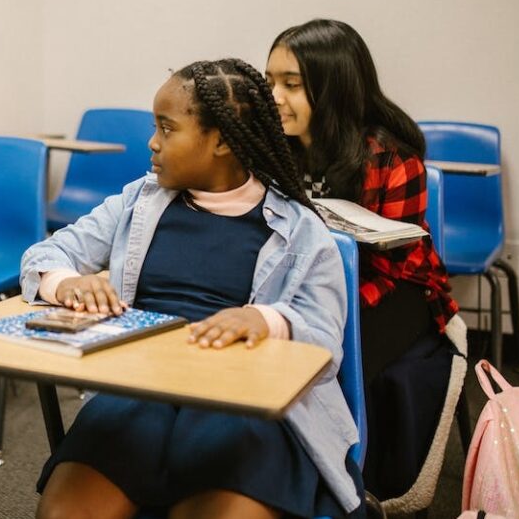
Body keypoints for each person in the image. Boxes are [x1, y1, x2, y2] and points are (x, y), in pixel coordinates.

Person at [23, 59, 364, 519]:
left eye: (167, 129)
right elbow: (48, 253)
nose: (152, 142)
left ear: (221, 141)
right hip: (139, 396)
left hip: (246, 407)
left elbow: (324, 341)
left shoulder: (300, 230)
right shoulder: (138, 201)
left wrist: (265, 319)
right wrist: (68, 283)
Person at [265, 18, 459, 499]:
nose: (273, 96)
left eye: (291, 84)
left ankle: (346, 488)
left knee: (324, 367)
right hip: (315, 286)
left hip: (396, 288)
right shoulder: (275, 151)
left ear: (332, 89)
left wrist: (331, 311)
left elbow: (395, 264)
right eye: (269, 81)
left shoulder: (389, 156)